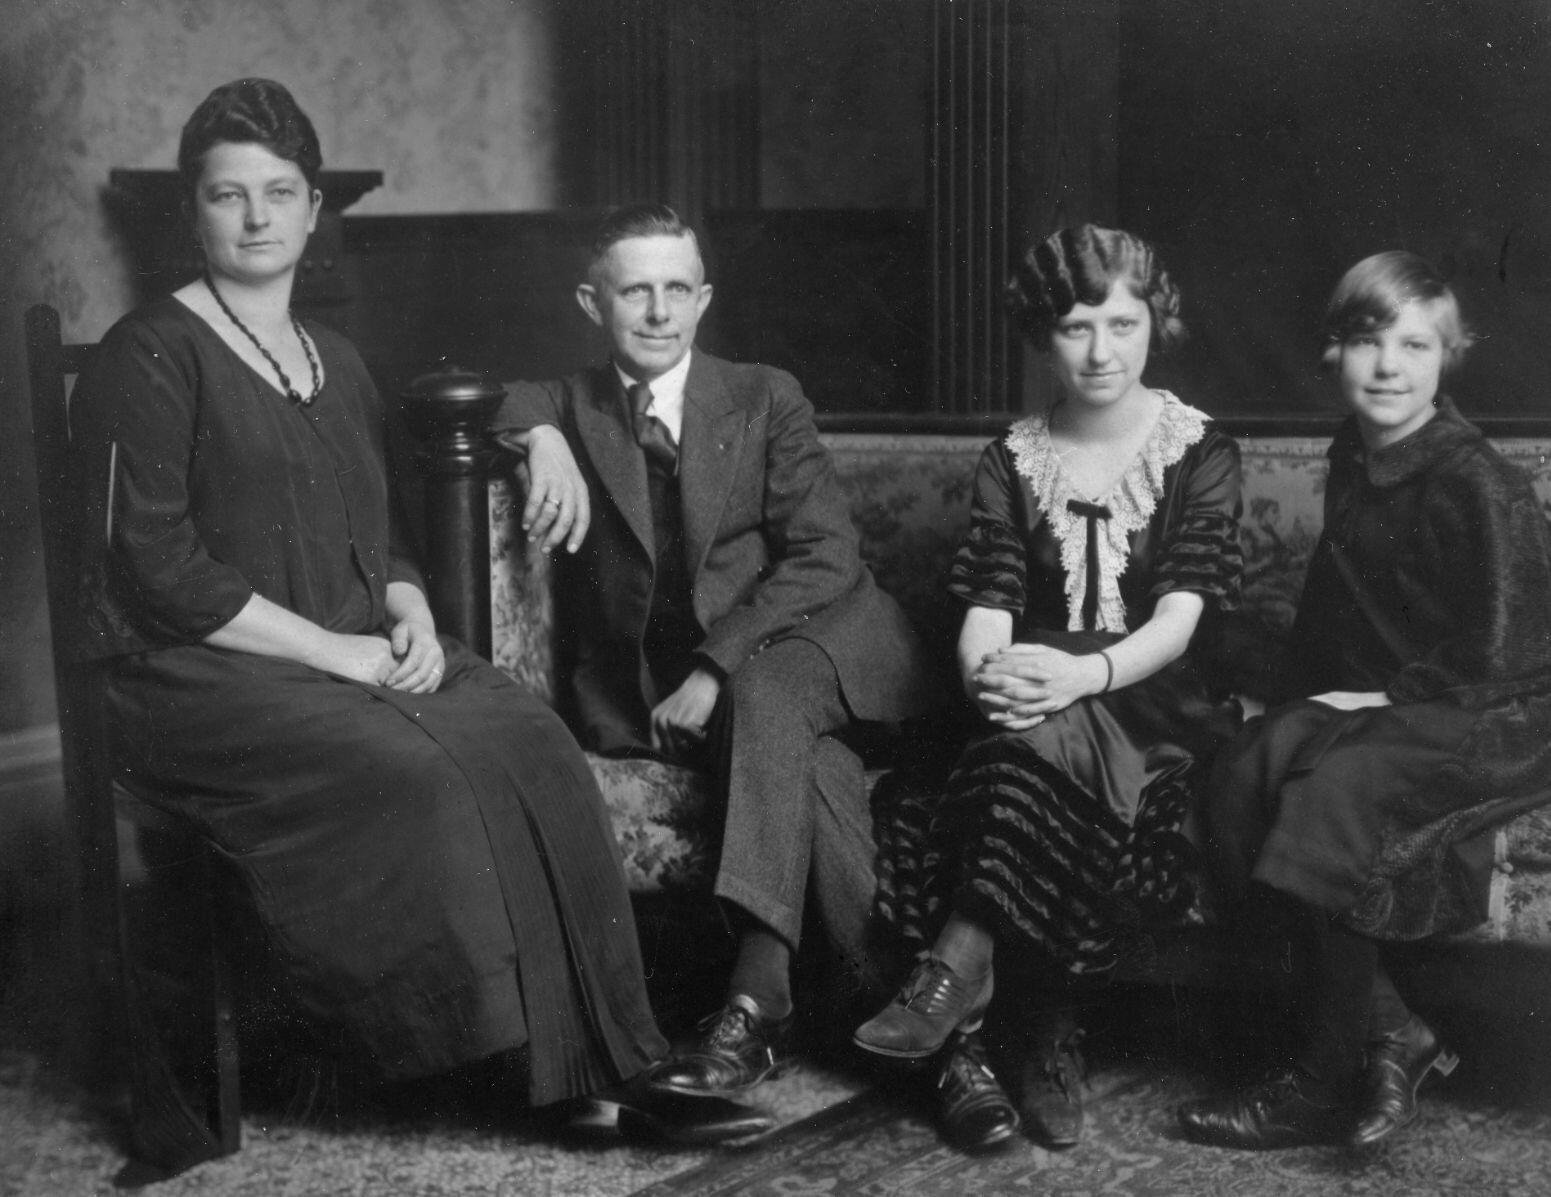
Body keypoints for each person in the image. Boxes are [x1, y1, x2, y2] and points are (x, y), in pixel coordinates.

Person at [69, 79, 766, 1157]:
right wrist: (336, 654)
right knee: (424, 772)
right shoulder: (149, 351)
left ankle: (609, 1062)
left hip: (337, 652)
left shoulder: (335, 361)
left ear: (314, 211)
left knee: (531, 736)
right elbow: (156, 569)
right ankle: (515, 1066)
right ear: (191, 212)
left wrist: (407, 616)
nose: (255, 218)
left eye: (279, 193)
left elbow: (386, 535)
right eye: (227, 194)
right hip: (193, 675)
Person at [493, 204, 936, 1101]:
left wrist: (712, 666)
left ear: (703, 299)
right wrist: (540, 437)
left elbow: (826, 557)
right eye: (634, 293)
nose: (659, 312)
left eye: (677, 290)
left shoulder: (764, 394)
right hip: (738, 708)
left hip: (823, 641)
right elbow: (501, 398)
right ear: (592, 303)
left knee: (766, 692)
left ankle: (755, 998)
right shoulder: (574, 404)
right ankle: (935, 1037)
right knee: (814, 768)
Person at [1177, 251, 1551, 1151]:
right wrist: (1291, 701)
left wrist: (1377, 696)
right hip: (1426, 694)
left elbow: (1517, 652)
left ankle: (1318, 1081)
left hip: (1517, 705)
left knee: (1338, 788)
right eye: (1367, 341)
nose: (1389, 367)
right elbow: (1340, 616)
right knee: (1246, 764)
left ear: (1447, 358)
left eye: (1415, 345)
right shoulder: (1355, 455)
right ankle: (1393, 1025)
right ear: (1333, 353)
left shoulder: (1476, 479)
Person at [854, 224, 1245, 1150]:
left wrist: (1080, 673)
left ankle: (966, 977)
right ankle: (1042, 1029)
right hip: (1031, 699)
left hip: (1153, 700)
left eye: (1123, 323)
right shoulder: (1013, 456)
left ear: (1155, 324)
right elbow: (989, 607)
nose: (1101, 351)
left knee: (1045, 740)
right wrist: (989, 682)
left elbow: (1179, 620)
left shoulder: (1198, 448)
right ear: (1043, 335)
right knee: (1019, 746)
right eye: (1076, 327)